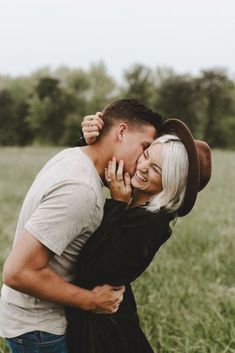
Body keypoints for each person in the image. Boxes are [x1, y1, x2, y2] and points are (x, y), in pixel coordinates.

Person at [0, 99, 162, 353]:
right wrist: (91, 300)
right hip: (41, 331)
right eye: (144, 148)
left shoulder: (73, 156)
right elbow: (16, 272)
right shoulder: (80, 190)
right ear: (121, 132)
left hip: (33, 323)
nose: (143, 162)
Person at [66, 117, 212, 353]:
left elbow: (89, 270)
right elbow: (81, 175)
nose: (143, 167)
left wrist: (117, 204)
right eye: (146, 156)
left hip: (103, 332)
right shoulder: (136, 195)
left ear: (170, 183)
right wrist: (89, 139)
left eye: (156, 169)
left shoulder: (151, 223)